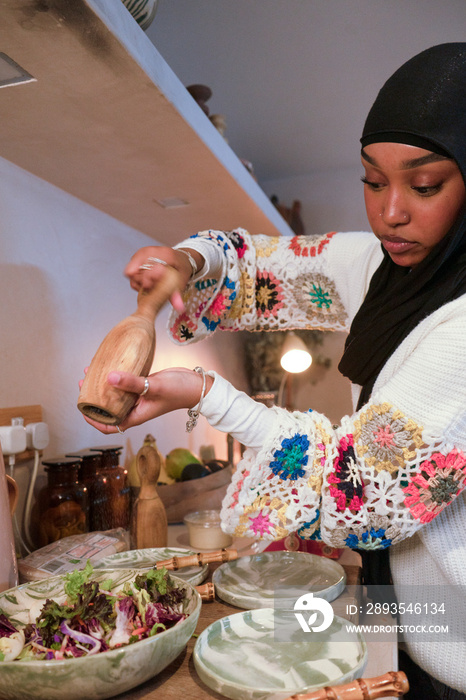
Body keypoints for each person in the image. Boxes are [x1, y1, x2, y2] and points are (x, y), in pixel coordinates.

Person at [83, 44, 466, 698]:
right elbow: (266, 266)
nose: (390, 212)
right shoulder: (387, 268)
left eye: (424, 186)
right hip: (394, 602)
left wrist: (208, 395)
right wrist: (183, 261)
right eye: (372, 181)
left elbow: (354, 484)